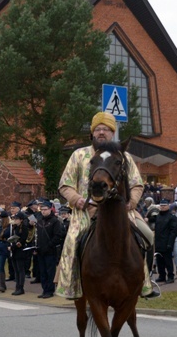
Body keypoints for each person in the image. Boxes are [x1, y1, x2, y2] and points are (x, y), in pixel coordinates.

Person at [55, 111, 158, 299]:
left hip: (120, 211)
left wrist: (132, 202)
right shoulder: (79, 155)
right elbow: (65, 184)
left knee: (147, 235)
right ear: (92, 133)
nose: (101, 132)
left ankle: (145, 282)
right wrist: (78, 200)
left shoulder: (123, 156)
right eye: (98, 129)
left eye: (106, 129)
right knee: (73, 241)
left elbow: (137, 184)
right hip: (87, 211)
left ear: (112, 133)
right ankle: (72, 286)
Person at [34, 200, 65, 298]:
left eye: (45, 209)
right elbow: (37, 235)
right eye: (41, 209)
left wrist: (49, 245)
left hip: (50, 251)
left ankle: (50, 290)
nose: (43, 211)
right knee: (42, 271)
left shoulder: (55, 221)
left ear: (50, 209)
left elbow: (58, 235)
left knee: (50, 271)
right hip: (40, 250)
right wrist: (36, 247)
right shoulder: (40, 221)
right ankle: (44, 289)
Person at [153, 199, 177, 284]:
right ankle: (162, 276)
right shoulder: (157, 217)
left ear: (168, 206)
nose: (162, 207)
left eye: (164, 205)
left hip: (167, 242)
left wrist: (170, 243)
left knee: (168, 261)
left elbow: (173, 231)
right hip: (158, 242)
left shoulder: (172, 217)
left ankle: (171, 276)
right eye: (161, 205)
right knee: (159, 260)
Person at [8, 211, 29, 296]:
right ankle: (17, 287)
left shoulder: (24, 228)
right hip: (14, 251)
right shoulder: (15, 228)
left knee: (20, 270)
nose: (15, 220)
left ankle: (21, 287)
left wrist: (12, 247)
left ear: (21, 220)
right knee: (16, 270)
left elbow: (21, 241)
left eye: (16, 219)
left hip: (20, 251)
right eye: (14, 219)